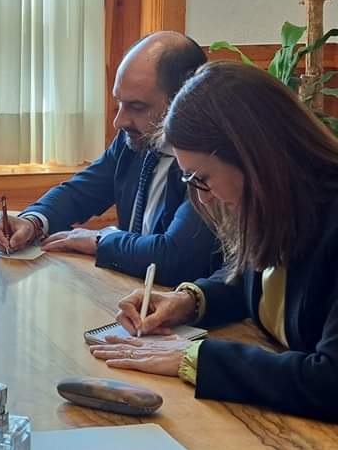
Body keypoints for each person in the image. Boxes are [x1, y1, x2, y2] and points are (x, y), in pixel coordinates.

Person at [90, 61, 338, 421]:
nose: (202, 198)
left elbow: (329, 382)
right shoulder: (284, 204)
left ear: (256, 159)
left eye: (201, 177)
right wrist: (188, 301)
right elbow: (267, 284)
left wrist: (197, 358)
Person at [0, 31, 219, 286]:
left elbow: (175, 257)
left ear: (184, 99)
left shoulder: (210, 161)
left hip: (191, 313)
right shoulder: (134, 138)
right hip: (129, 295)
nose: (119, 121)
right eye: (119, 103)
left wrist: (98, 241)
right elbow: (80, 192)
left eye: (137, 107)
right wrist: (33, 221)